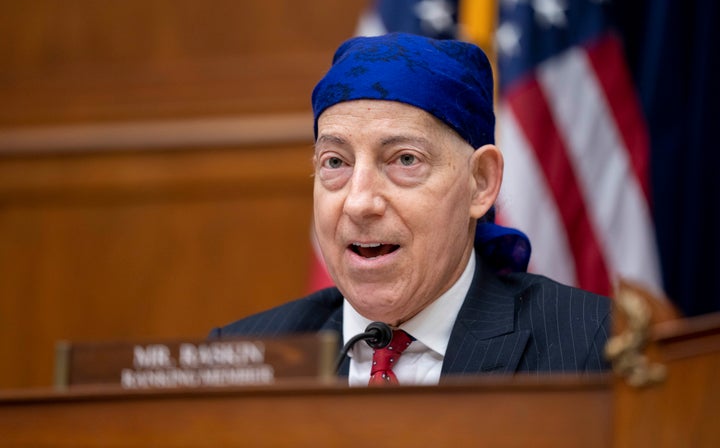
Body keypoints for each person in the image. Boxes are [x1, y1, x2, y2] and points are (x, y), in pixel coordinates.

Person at [209, 33, 611, 385]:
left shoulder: (594, 349)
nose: (360, 202)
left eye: (404, 160)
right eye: (335, 162)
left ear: (481, 182)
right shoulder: (242, 361)